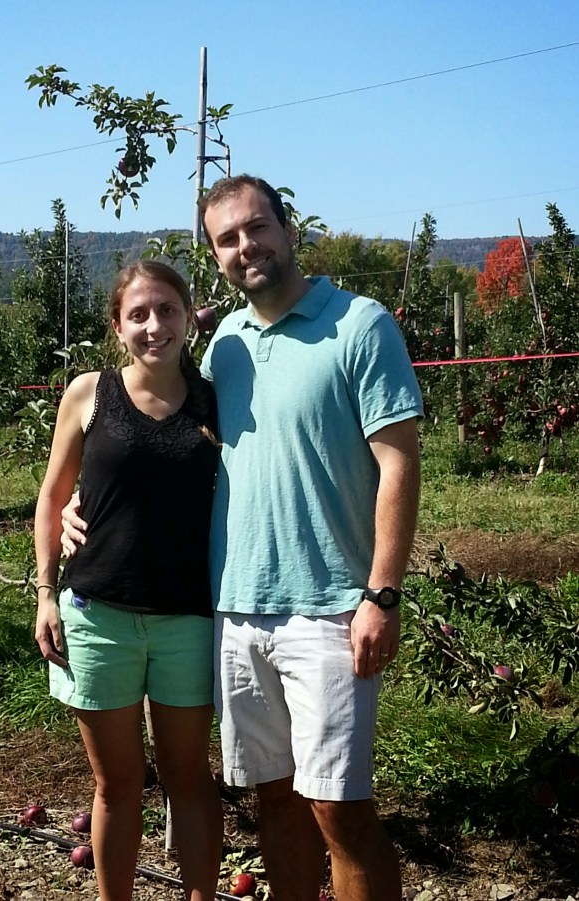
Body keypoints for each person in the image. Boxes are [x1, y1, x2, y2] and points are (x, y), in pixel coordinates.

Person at [63, 175, 423, 901]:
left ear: (288, 229)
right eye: (226, 239)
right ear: (216, 256)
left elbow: (400, 462)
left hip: (330, 608)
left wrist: (382, 593)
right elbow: (164, 441)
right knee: (275, 802)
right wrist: (83, 498)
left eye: (257, 227)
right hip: (233, 608)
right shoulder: (225, 343)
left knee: (340, 810)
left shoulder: (360, 324)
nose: (245, 246)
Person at [34, 260, 223, 901]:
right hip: (97, 615)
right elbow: (52, 495)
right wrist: (45, 593)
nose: (153, 326)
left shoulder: (214, 400)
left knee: (187, 778)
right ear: (117, 327)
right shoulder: (89, 395)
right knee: (116, 785)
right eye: (137, 314)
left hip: (188, 619)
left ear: (188, 318)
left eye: (167, 310)